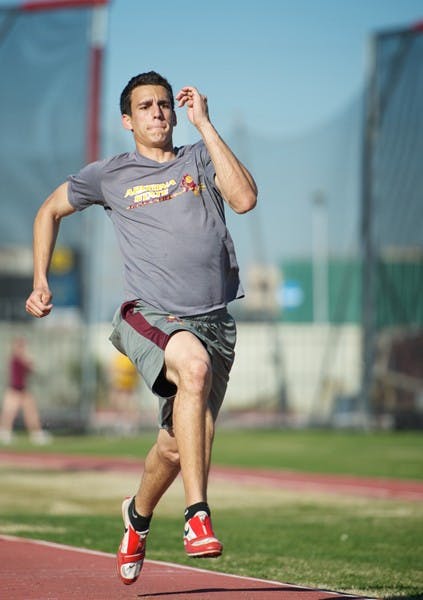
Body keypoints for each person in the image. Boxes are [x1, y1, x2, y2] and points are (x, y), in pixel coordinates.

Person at [25, 71, 257, 586]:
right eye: (146, 106)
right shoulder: (111, 174)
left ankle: (137, 515)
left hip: (214, 321)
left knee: (178, 445)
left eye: (165, 104)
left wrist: (208, 126)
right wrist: (42, 280)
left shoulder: (198, 157)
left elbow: (243, 200)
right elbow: (48, 210)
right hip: (149, 314)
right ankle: (197, 515)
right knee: (191, 369)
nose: (158, 112)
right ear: (127, 120)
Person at [0, 337, 51, 445]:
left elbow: (31, 368)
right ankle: (4, 433)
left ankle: (36, 434)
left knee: (31, 413)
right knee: (9, 414)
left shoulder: (21, 358)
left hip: (23, 390)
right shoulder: (15, 359)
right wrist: (27, 358)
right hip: (14, 390)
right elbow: (29, 365)